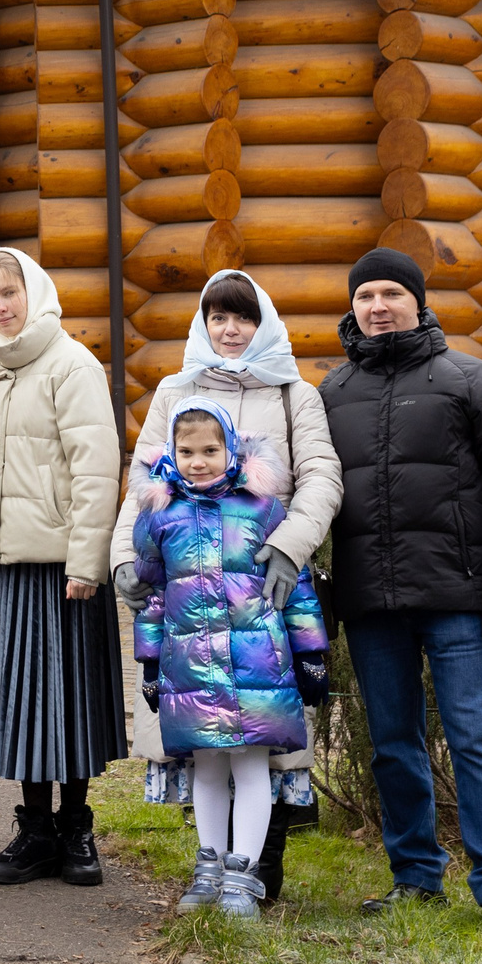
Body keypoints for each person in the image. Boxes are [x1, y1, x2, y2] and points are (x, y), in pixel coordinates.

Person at [319, 247, 482, 930]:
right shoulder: (331, 396)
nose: (378, 305)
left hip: (459, 600)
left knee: (477, 736)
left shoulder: (471, 382)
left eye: (392, 292)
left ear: (418, 302)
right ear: (353, 306)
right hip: (372, 605)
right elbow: (307, 498)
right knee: (393, 741)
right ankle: (416, 875)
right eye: (366, 295)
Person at [110, 267, 342, 903]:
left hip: (261, 586)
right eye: (219, 317)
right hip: (190, 593)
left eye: (243, 317)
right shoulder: (173, 392)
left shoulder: (296, 394)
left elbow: (321, 477)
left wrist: (287, 547)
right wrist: (123, 558)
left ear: (263, 322)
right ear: (203, 324)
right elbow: (145, 486)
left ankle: (259, 875)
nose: (231, 329)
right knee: (207, 742)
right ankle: (213, 870)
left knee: (262, 746)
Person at [127, 397, 329, 920]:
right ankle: (209, 868)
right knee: (209, 769)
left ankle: (244, 875)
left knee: (253, 768)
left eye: (210, 450)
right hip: (190, 666)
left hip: (258, 663)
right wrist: (150, 662)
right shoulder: (160, 516)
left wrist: (311, 652)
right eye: (186, 450)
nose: (198, 461)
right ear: (171, 451)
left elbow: (298, 587)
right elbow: (150, 595)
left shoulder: (263, 509)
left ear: (231, 448)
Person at [0, 247, 124, 887]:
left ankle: (77, 827)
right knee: (24, 702)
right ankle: (35, 830)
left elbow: (95, 469)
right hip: (6, 563)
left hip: (62, 566)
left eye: (10, 294)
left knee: (71, 697)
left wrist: (87, 560)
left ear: (34, 291)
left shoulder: (71, 365)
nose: (1, 308)